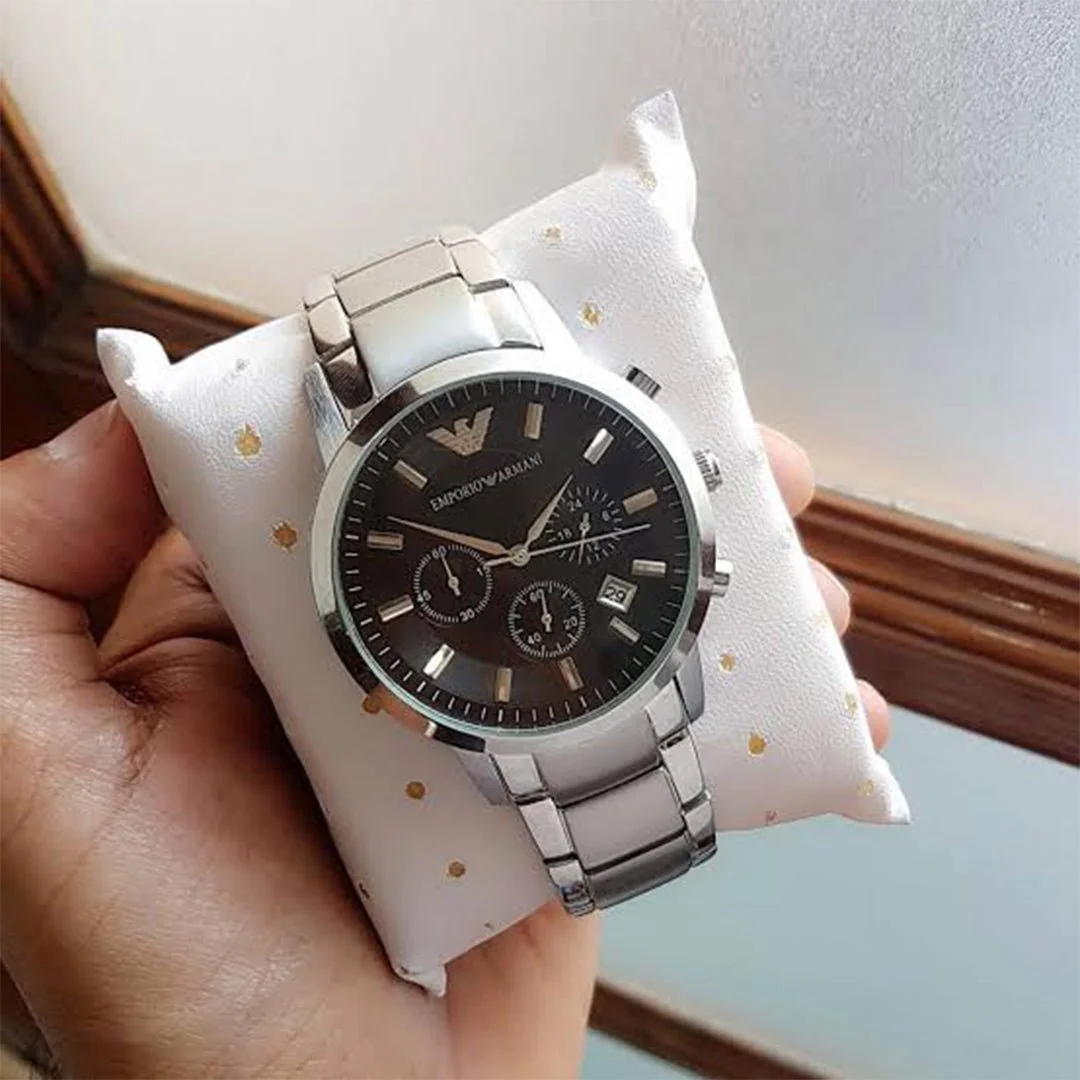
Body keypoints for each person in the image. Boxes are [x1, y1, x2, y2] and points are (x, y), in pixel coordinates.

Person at [0, 403, 889, 1078]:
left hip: (623, 671)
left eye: (531, 542)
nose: (515, 562)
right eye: (498, 559)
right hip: (489, 725)